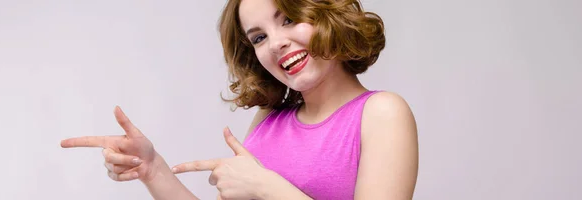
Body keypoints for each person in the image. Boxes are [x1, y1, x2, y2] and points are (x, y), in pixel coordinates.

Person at [60, 0, 419, 199]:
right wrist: (152, 170)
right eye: (259, 37)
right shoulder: (268, 120)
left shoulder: (381, 113)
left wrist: (266, 186)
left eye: (289, 19)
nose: (276, 42)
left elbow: (262, 189)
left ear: (326, 13)